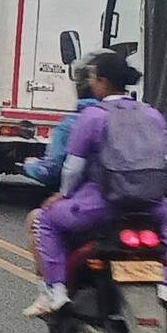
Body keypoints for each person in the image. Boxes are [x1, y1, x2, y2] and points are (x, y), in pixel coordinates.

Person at [23, 51, 167, 317]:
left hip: (104, 203)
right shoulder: (153, 115)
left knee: (47, 220)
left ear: (104, 82)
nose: (92, 83)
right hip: (150, 202)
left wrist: (62, 195)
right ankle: (165, 288)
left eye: (94, 77)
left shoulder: (93, 116)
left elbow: (73, 167)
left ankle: (57, 293)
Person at [21, 58, 102, 278]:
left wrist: (30, 166)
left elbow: (58, 169)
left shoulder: (75, 123)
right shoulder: (131, 117)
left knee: (39, 220)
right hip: (132, 206)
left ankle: (50, 289)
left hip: (88, 204)